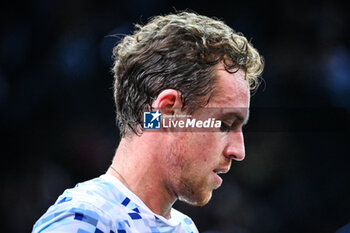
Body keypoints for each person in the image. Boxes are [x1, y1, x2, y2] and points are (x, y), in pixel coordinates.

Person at [32, 11, 263, 233]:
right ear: (168, 112)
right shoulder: (83, 222)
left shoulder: (185, 228)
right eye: (224, 124)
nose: (239, 151)